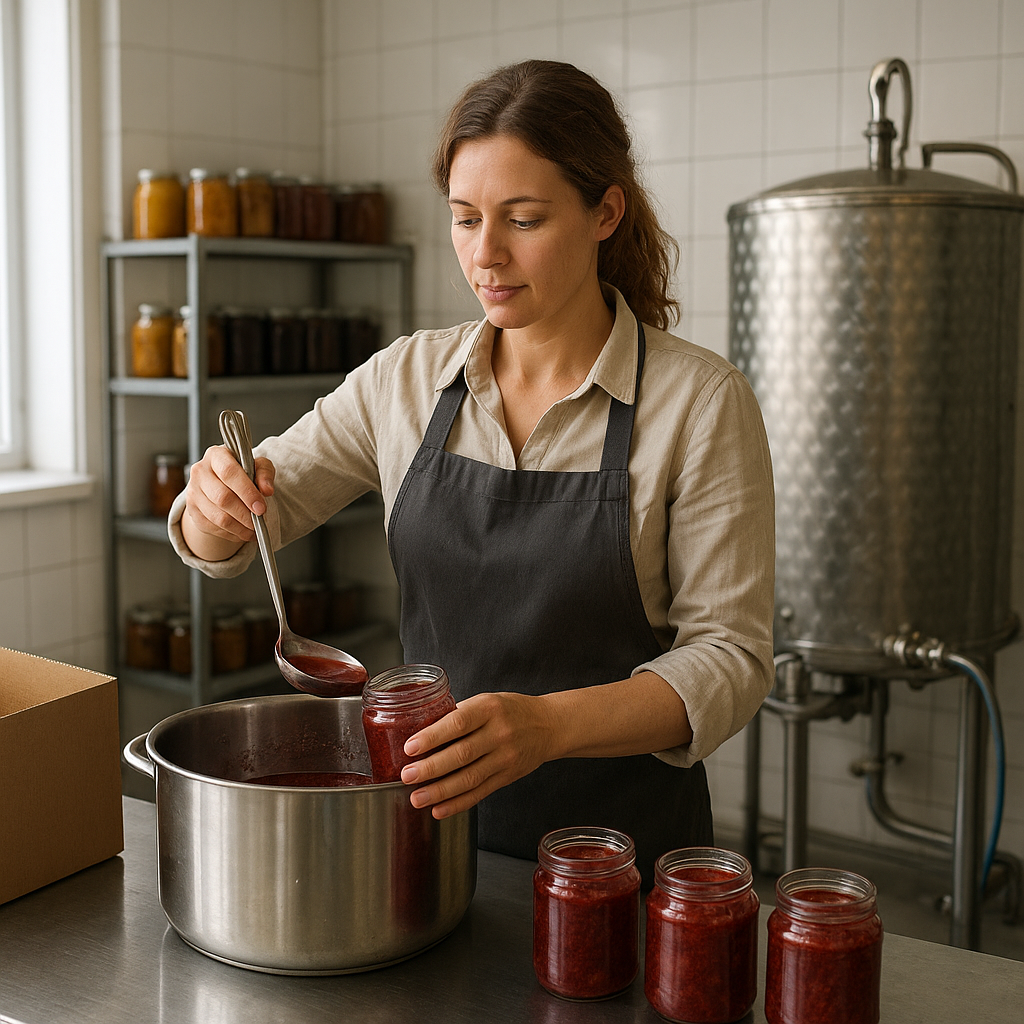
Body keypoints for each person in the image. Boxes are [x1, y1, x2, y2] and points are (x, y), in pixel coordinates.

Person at [170, 59, 775, 883]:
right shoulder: (405, 380)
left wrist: (548, 727)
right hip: (428, 844)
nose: (485, 255)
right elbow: (248, 521)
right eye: (464, 219)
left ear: (605, 212)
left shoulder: (699, 401)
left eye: (523, 220)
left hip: (617, 865)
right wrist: (213, 507)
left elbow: (730, 656)